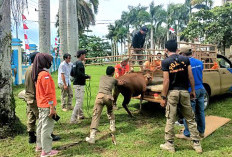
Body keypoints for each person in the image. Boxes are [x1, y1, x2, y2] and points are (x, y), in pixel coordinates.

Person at [160, 40, 202, 153]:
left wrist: (163, 97)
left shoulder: (165, 62)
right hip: (184, 92)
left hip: (173, 93)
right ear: (177, 49)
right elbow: (191, 77)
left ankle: (169, 144)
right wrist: (193, 90)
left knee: (170, 118)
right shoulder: (186, 59)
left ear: (166, 50)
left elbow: (166, 81)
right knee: (190, 118)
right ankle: (197, 144)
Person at [86, 66, 124, 144]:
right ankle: (112, 127)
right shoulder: (114, 80)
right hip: (108, 97)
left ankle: (92, 137)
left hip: (99, 97)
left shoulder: (102, 77)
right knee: (110, 111)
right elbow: (120, 83)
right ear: (113, 72)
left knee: (96, 115)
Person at [175, 45, 206, 140]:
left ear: (183, 54)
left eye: (181, 54)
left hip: (191, 90)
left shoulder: (184, 63)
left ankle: (187, 133)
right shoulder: (200, 62)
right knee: (200, 111)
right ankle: (201, 132)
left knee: (188, 113)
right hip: (201, 88)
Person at [32, 53, 59, 157]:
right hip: (47, 105)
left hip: (41, 104)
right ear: (44, 62)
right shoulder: (45, 75)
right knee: (47, 128)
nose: (51, 63)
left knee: (41, 125)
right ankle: (46, 151)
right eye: (50, 61)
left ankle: (39, 146)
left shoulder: (38, 74)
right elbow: (48, 93)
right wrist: (52, 107)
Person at [70, 50, 90, 123]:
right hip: (79, 84)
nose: (85, 56)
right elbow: (80, 74)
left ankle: (80, 115)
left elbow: (72, 73)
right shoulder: (80, 63)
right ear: (81, 55)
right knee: (79, 101)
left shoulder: (74, 63)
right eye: (84, 55)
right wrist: (87, 76)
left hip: (75, 84)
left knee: (79, 100)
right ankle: (73, 119)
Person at [25, 52, 39, 143]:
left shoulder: (28, 69)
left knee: (31, 116)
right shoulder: (35, 70)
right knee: (41, 117)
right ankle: (47, 134)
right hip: (34, 97)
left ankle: (31, 135)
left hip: (28, 96)